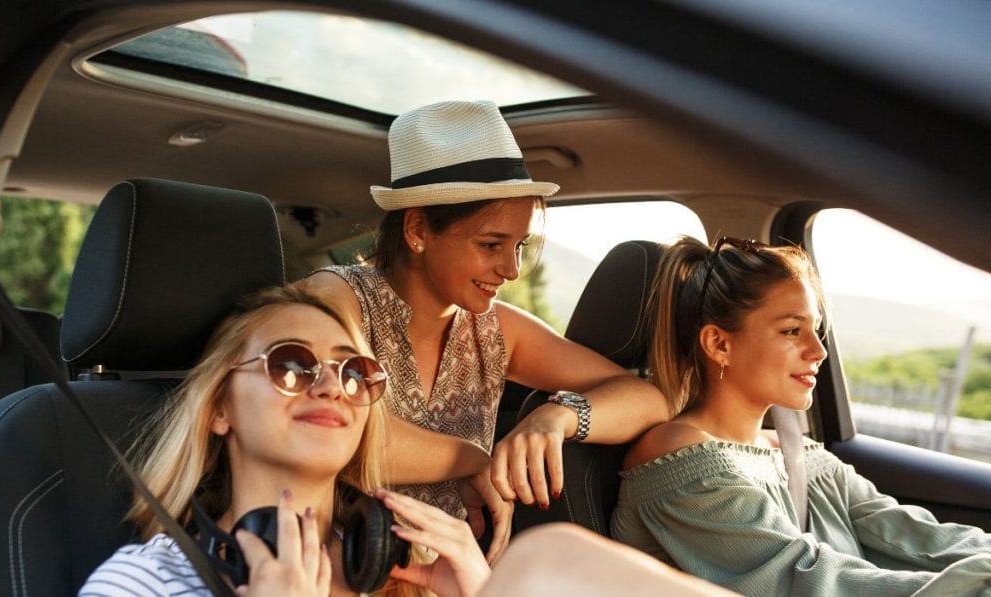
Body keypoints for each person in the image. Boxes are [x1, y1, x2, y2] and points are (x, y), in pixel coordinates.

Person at [78, 281, 730, 597]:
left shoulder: (398, 565)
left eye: (355, 369)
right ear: (219, 406)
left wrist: (479, 592)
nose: (331, 385)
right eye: (292, 364)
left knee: (542, 561)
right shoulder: (147, 581)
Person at [303, 100, 669, 552]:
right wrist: (473, 460)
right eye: (492, 244)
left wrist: (555, 417)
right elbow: (336, 433)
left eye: (519, 246)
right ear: (417, 230)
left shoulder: (495, 330)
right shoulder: (336, 300)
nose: (512, 270)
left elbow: (647, 400)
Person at [610, 236, 991, 596]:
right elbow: (805, 579)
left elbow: (912, 534)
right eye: (793, 330)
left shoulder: (799, 455)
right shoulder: (682, 461)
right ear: (719, 343)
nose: (818, 351)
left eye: (817, 329)